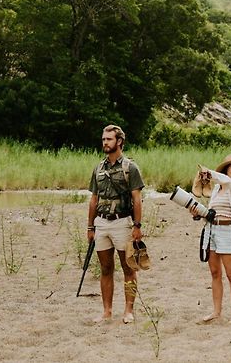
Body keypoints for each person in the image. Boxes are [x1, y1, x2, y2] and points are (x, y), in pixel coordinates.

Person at [87, 124, 145, 324]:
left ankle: (129, 310)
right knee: (105, 268)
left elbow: (137, 199)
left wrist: (137, 226)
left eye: (109, 139)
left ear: (119, 141)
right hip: (102, 223)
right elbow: (94, 200)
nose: (105, 142)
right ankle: (107, 311)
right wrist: (90, 227)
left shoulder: (130, 168)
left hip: (122, 222)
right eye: (103, 139)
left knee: (128, 267)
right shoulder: (98, 168)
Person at [190, 153, 231, 325]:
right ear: (227, 168)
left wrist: (209, 173)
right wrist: (198, 214)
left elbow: (228, 182)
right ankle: (216, 311)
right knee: (215, 273)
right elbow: (212, 211)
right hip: (212, 230)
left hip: (227, 230)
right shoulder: (217, 189)